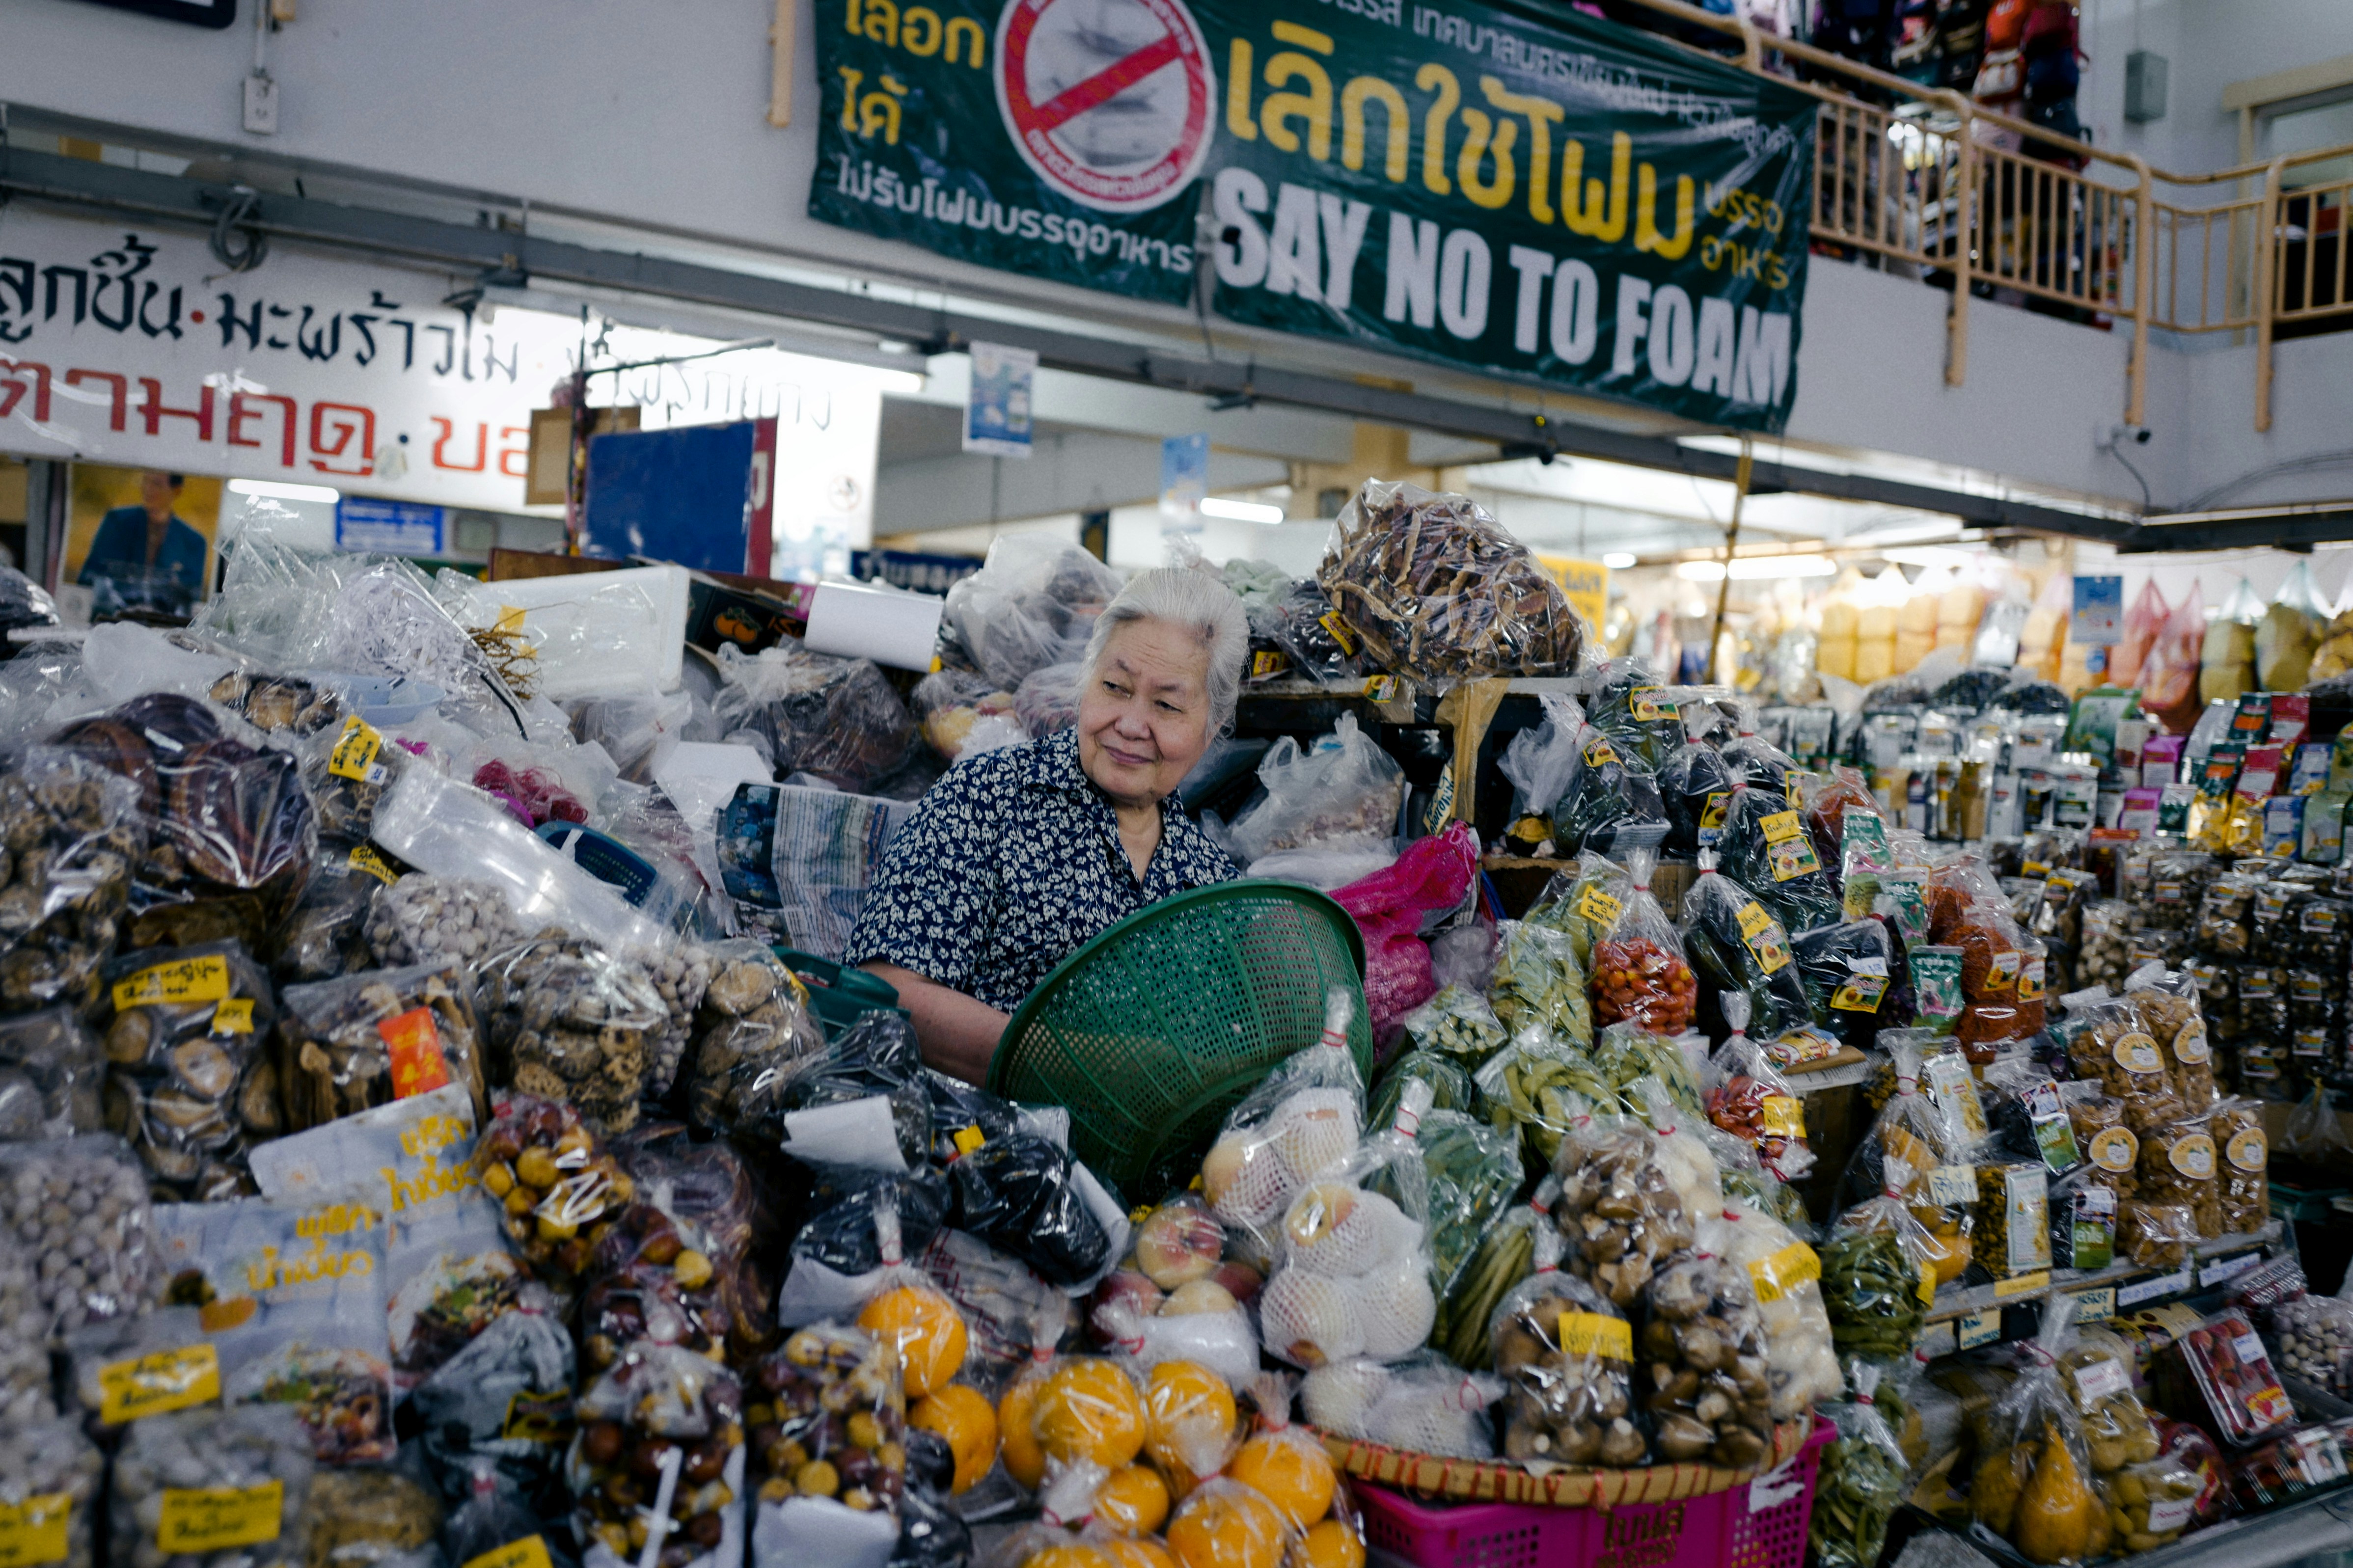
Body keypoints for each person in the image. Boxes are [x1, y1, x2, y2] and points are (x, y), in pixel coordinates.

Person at [847, 566, 1250, 1084]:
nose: (1130, 724)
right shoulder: (986, 800)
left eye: (1167, 705)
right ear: (1085, 683)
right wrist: (1083, 1067)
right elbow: (885, 989)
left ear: (1210, 727)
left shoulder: (1212, 886)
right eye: (1115, 686)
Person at [79, 472, 210, 611]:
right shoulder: (117, 522)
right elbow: (91, 574)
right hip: (111, 618)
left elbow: (191, 595)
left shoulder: (193, 542)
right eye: (146, 482)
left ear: (176, 491)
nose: (148, 489)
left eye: (157, 484)